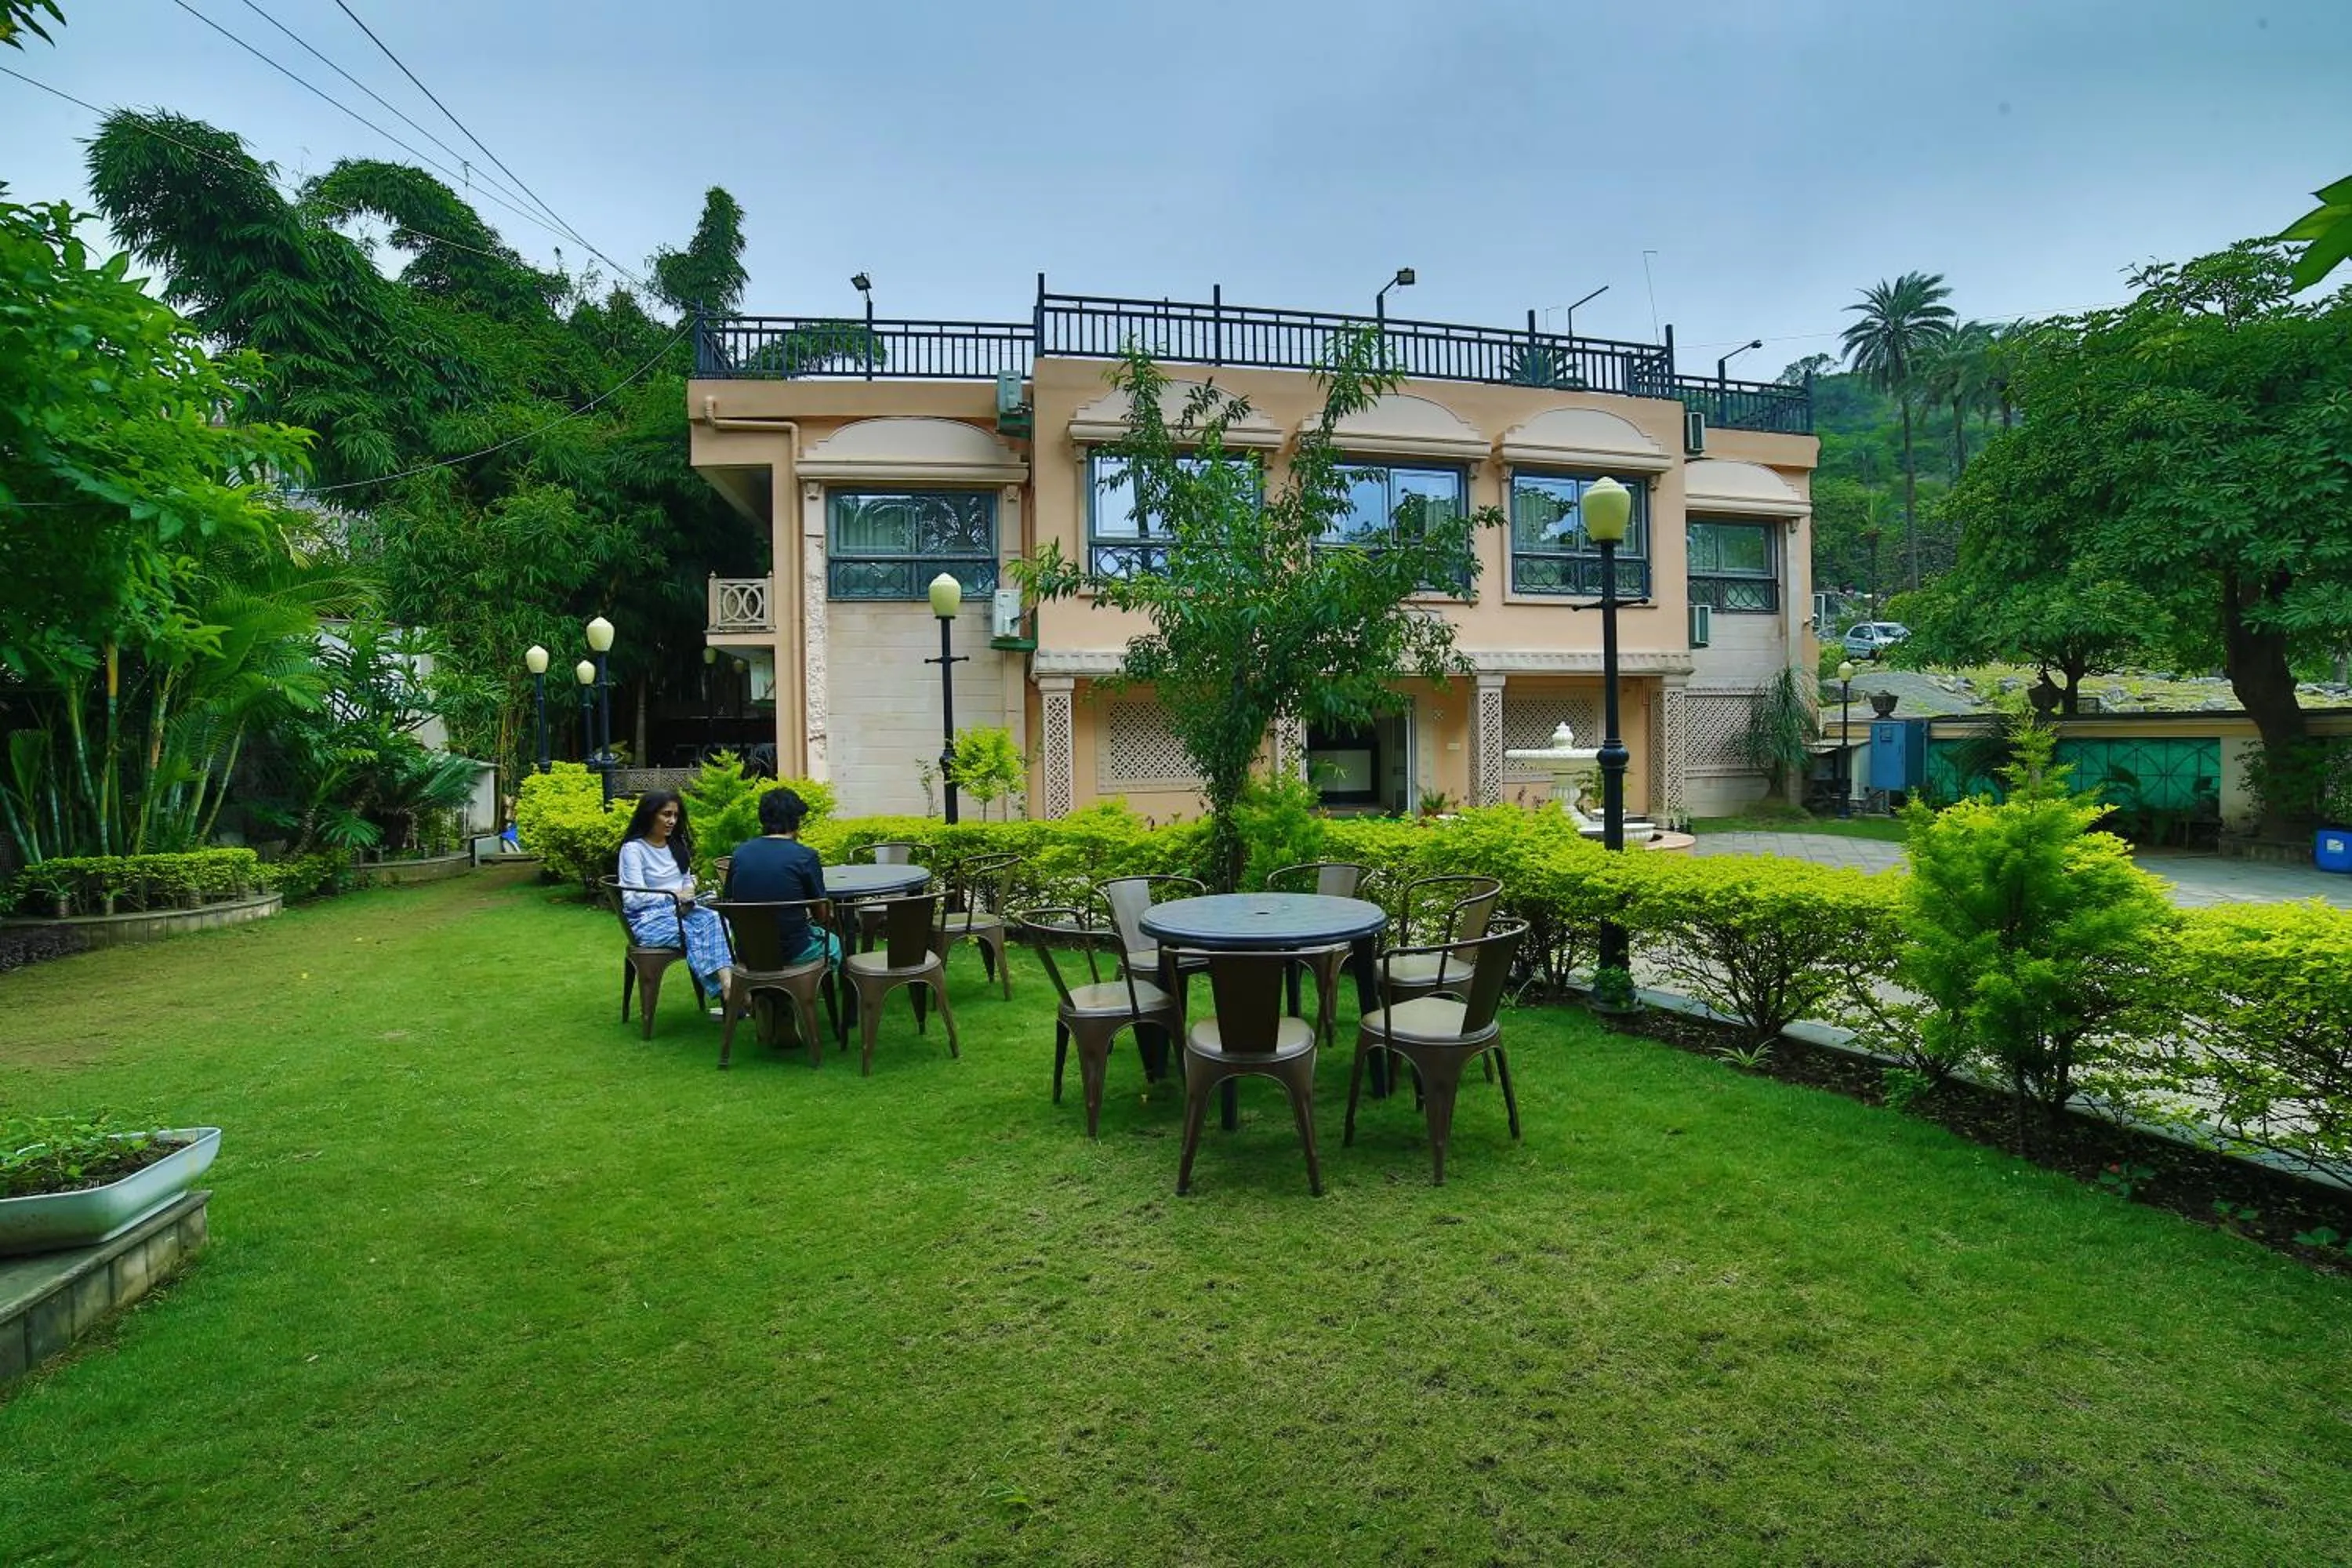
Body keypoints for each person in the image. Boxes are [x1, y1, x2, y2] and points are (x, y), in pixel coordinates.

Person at [617, 791, 731, 1016]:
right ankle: (726, 990)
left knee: (719, 921)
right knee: (694, 932)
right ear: (650, 815)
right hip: (647, 919)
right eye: (666, 814)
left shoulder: (677, 846)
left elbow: (686, 881)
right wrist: (673, 895)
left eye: (676, 815)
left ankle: (728, 987)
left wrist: (689, 891)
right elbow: (632, 898)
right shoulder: (634, 850)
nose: (672, 821)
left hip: (682, 910)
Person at [721, 787, 839, 965]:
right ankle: (829, 989)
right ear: (796, 820)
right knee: (835, 943)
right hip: (793, 951)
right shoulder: (805, 856)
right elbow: (821, 915)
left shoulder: (740, 854)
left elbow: (729, 902)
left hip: (749, 951)